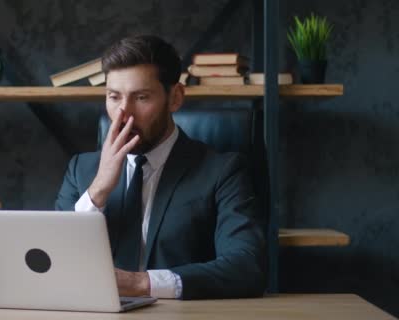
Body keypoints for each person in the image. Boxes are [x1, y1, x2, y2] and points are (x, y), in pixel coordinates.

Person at [55, 35, 266, 300]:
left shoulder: (223, 171)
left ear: (175, 97)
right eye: (113, 97)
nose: (124, 114)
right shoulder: (80, 170)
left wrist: (142, 283)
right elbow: (55, 265)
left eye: (141, 97)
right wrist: (98, 190)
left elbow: (246, 268)